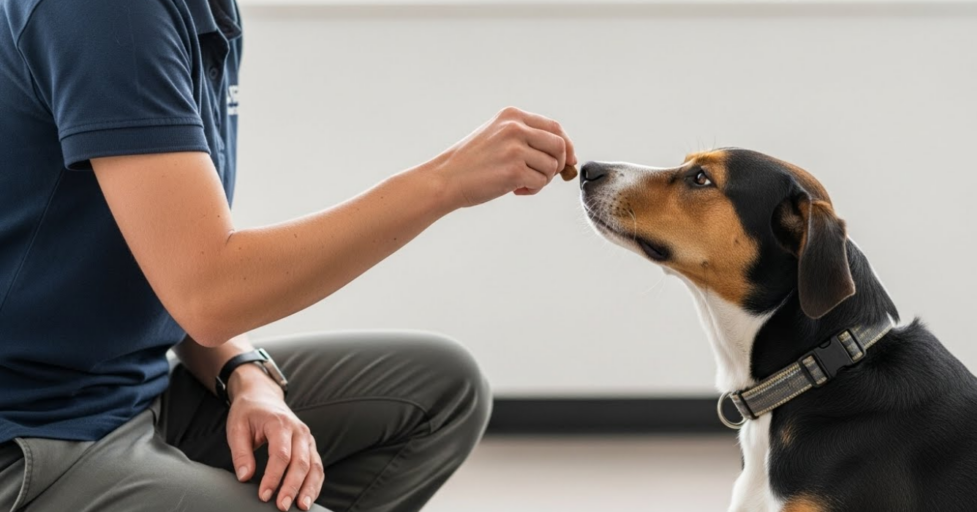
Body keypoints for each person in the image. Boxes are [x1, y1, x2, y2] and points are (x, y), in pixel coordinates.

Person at [0, 0, 576, 511]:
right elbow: (210, 290)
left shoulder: (202, 12)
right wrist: (444, 182)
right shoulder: (104, 15)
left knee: (444, 389)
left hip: (134, 390)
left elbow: (167, 257)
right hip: (38, 439)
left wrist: (244, 371)